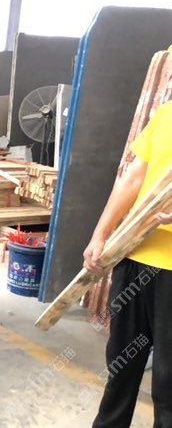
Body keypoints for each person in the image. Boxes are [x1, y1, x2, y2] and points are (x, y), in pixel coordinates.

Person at [84, 99, 172, 427]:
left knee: (168, 381)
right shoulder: (166, 114)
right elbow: (133, 177)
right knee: (121, 365)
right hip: (134, 255)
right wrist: (101, 234)